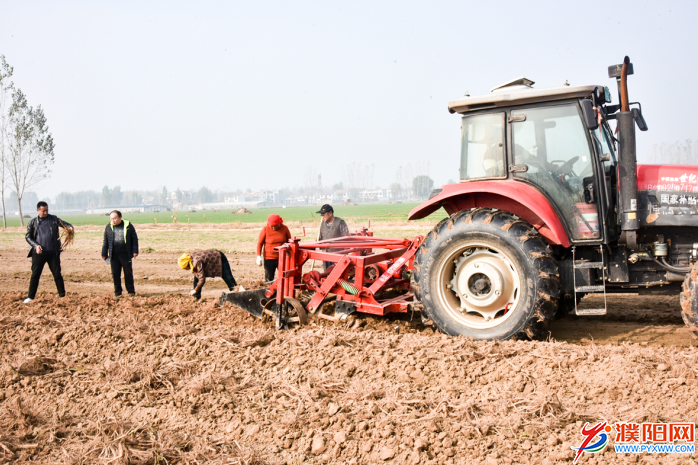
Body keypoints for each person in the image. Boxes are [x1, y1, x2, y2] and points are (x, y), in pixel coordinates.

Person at [24, 201, 74, 303]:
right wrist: (36, 246)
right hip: (38, 253)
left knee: (57, 274)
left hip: (53, 253)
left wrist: (70, 227)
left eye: (47, 210)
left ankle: (62, 296)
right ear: (38, 210)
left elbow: (66, 224)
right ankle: (30, 297)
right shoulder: (32, 222)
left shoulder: (54, 219)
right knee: (35, 275)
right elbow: (28, 237)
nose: (46, 212)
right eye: (43, 211)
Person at [101, 210, 139, 297]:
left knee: (128, 273)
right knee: (115, 274)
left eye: (115, 218)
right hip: (114, 254)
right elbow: (105, 241)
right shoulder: (108, 227)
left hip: (126, 253)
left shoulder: (128, 225)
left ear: (120, 218)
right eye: (111, 219)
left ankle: (131, 291)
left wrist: (135, 251)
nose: (113, 220)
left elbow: (134, 239)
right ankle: (118, 292)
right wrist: (104, 253)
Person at [256, 214, 291, 282]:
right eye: (272, 226)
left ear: (279, 223)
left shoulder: (285, 229)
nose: (274, 228)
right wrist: (258, 256)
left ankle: (282, 291)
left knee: (284, 278)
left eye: (275, 226)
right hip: (269, 258)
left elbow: (289, 242)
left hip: (282, 258)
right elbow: (260, 243)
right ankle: (270, 291)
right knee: (269, 278)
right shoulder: (265, 229)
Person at [316, 204, 350, 271]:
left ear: (330, 213)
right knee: (327, 274)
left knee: (338, 276)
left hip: (338, 256)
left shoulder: (340, 223)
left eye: (324, 214)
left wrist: (344, 257)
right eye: (321, 215)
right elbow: (320, 239)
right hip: (326, 257)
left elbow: (347, 240)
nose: (322, 217)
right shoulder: (322, 224)